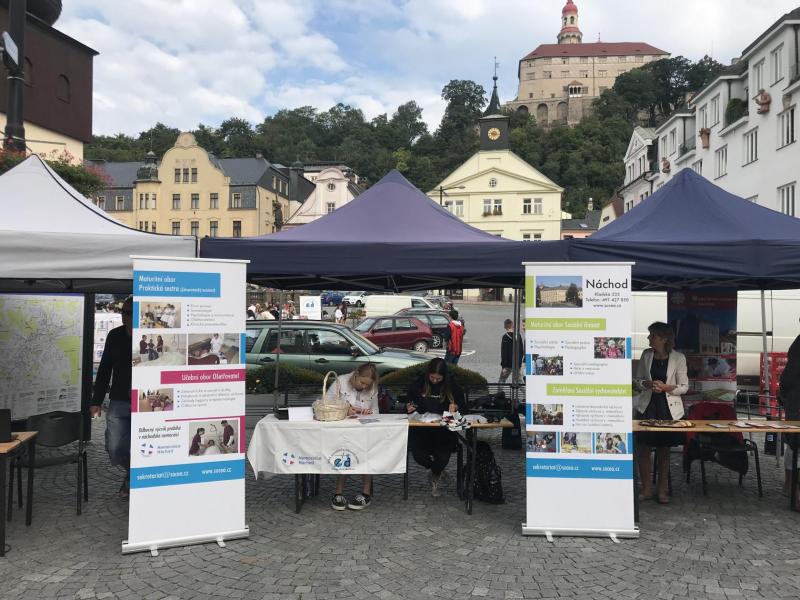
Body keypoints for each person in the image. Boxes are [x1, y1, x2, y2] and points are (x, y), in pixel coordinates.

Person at [633, 322, 689, 504]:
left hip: (668, 409)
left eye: (652, 336)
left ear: (664, 339)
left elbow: (684, 387)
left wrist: (666, 388)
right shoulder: (646, 355)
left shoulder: (678, 358)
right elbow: (638, 381)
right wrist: (647, 384)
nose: (649, 338)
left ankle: (662, 489)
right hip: (647, 406)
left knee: (664, 450)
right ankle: (647, 488)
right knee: (643, 449)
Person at [91, 297, 134, 498]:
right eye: (124, 312)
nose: (126, 316)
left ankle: (134, 479)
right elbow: (105, 368)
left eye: (131, 312)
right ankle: (132, 472)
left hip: (146, 402)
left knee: (143, 445)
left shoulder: (150, 335)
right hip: (118, 400)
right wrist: (96, 401)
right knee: (114, 447)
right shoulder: (115, 336)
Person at [406, 358, 465, 497]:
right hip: (421, 429)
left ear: (444, 377)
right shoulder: (418, 384)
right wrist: (410, 407)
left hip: (443, 430)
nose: (434, 381)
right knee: (419, 456)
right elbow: (410, 403)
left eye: (438, 378)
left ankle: (436, 473)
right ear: (428, 374)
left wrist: (456, 407)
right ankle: (437, 471)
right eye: (432, 377)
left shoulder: (452, 386)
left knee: (443, 457)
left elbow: (463, 407)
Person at [327, 364, 380, 511]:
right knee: (344, 453)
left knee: (366, 453)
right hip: (341, 430)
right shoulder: (340, 382)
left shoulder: (373, 388)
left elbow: (376, 411)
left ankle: (366, 493)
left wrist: (368, 413)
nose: (363, 387)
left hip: (364, 430)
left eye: (367, 385)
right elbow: (326, 402)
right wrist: (345, 409)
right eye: (362, 383)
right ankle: (338, 493)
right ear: (355, 375)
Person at [780, 331, 800, 502]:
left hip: (795, 402)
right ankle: (791, 485)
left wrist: (784, 394)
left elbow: (787, 378)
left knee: (793, 444)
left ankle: (791, 485)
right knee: (793, 444)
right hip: (796, 402)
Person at [499, 318, 524, 383]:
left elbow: (504, 353)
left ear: (505, 327)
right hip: (516, 364)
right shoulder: (518, 336)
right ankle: (525, 393)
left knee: (501, 380)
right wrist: (520, 364)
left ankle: (499, 393)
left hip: (507, 365)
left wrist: (503, 366)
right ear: (512, 325)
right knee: (519, 382)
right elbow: (521, 351)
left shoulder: (505, 337)